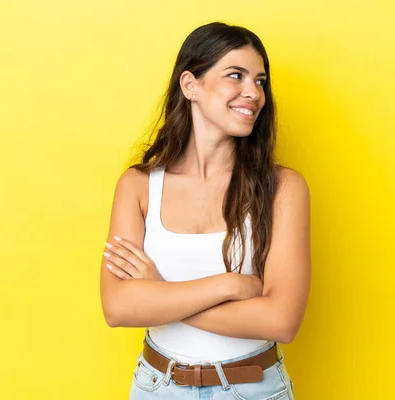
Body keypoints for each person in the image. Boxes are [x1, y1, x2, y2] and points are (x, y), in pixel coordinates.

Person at [99, 21, 311, 399]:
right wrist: (228, 285)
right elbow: (118, 308)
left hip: (254, 389)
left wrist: (160, 295)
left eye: (260, 81)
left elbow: (280, 321)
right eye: (236, 75)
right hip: (159, 388)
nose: (254, 93)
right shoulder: (138, 186)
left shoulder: (283, 188)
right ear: (190, 85)